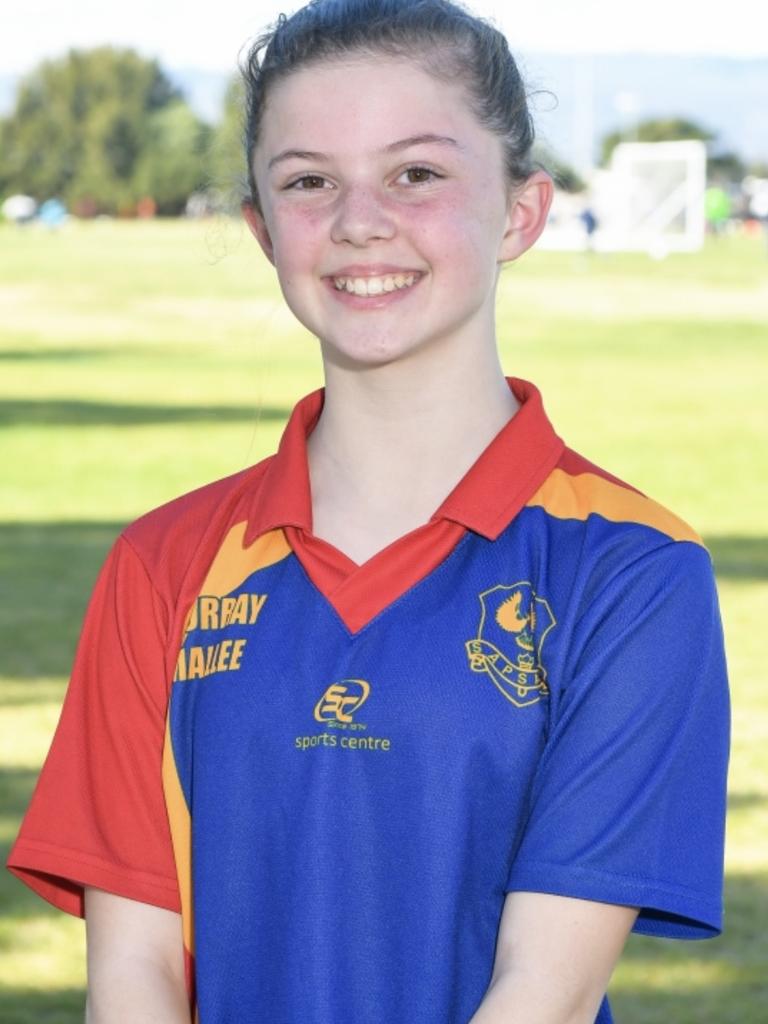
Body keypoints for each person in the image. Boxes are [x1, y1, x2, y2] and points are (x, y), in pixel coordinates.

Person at [7, 1, 730, 1022]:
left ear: (521, 211)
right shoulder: (162, 565)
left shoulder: (632, 568)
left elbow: (549, 994)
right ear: (262, 229)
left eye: (417, 174)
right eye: (309, 181)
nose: (359, 221)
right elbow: (134, 981)